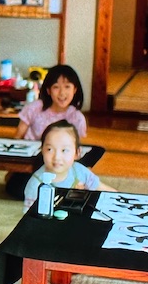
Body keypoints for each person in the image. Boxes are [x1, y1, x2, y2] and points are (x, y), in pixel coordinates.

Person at [5, 64, 89, 198]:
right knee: (17, 189)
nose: (62, 93)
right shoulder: (35, 108)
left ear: (75, 90)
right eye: (56, 87)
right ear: (48, 90)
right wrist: (13, 167)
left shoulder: (77, 117)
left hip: (59, 165)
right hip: (32, 163)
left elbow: (76, 151)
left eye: (67, 87)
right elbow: (18, 137)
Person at [23, 120, 114, 212]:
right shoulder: (36, 185)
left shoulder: (80, 171)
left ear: (77, 153)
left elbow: (106, 191)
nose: (57, 157)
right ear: (42, 150)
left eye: (64, 150)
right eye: (50, 149)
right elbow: (28, 216)